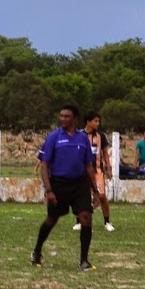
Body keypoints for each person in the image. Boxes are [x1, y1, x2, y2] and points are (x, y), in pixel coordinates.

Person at [31, 105, 98, 271]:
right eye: (61, 116)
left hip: (80, 183)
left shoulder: (83, 138)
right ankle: (37, 251)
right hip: (58, 183)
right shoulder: (53, 137)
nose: (63, 119)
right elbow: (45, 165)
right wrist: (49, 190)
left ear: (74, 119)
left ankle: (84, 260)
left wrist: (95, 190)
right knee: (52, 219)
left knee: (86, 217)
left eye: (67, 116)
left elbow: (88, 165)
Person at [77, 114, 115, 231]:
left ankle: (107, 222)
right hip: (82, 172)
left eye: (99, 121)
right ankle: (79, 222)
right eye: (96, 121)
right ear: (88, 122)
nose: (98, 123)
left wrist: (108, 168)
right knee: (81, 197)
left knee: (102, 196)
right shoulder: (79, 135)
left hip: (97, 171)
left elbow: (105, 153)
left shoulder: (101, 136)